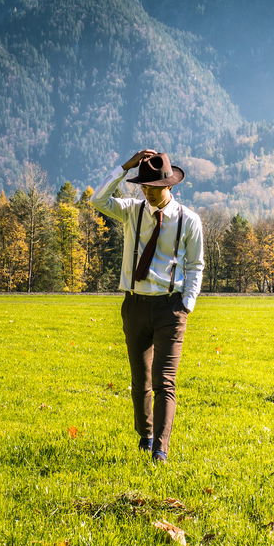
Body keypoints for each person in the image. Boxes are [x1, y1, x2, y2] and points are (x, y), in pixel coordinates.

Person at [90, 149, 205, 462]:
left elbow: (196, 265)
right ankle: (146, 436)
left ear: (170, 186)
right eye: (144, 187)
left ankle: (161, 449)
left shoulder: (189, 221)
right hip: (135, 305)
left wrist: (187, 304)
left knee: (164, 381)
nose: (149, 193)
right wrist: (125, 167)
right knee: (140, 380)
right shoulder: (131, 210)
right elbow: (98, 200)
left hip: (171, 308)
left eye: (154, 188)